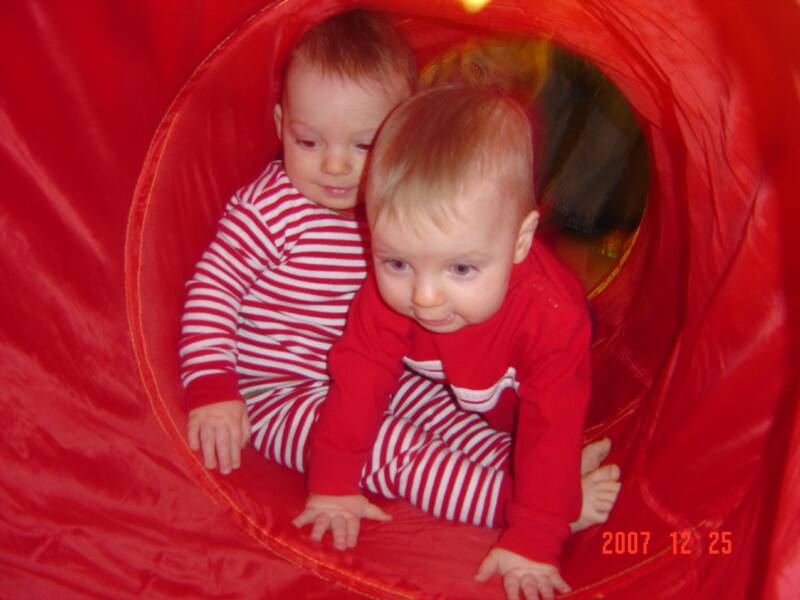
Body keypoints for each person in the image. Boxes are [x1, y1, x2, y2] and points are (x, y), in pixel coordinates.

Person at [295, 84, 621, 600]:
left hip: (530, 401)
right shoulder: (384, 297)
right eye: (396, 261)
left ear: (520, 240)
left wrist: (535, 540)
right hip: (474, 405)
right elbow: (357, 380)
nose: (424, 296)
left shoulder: (551, 320)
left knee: (544, 449)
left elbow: (550, 427)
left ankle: (562, 498)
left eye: (461, 268)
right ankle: (555, 489)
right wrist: (333, 486)